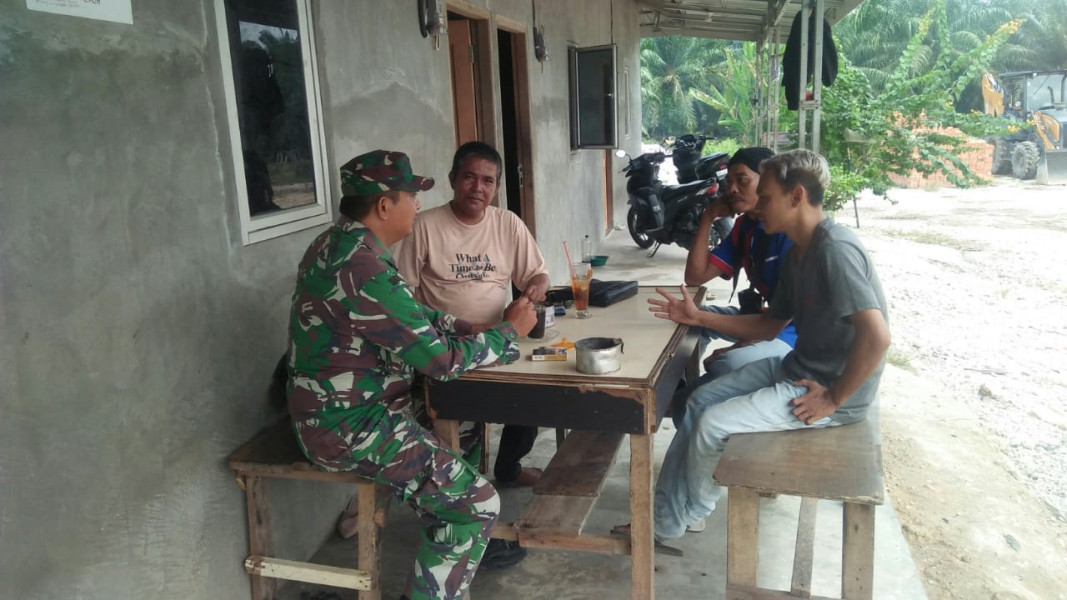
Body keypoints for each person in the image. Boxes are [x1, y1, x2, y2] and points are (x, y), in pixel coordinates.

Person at [286, 149, 536, 600]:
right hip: (349, 424)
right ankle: (459, 526)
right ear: (384, 205)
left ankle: (457, 535)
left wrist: (472, 327)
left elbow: (413, 315)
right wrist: (507, 335)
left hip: (360, 405)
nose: (417, 206)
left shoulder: (342, 244)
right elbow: (441, 362)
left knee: (469, 421)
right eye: (411, 197)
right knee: (478, 505)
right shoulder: (361, 267)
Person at [616, 149, 890, 545]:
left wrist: (834, 398)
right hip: (799, 367)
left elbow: (877, 336)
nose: (757, 206)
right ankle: (670, 516)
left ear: (796, 196)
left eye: (767, 197)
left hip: (827, 390)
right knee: (698, 402)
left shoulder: (835, 250)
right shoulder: (799, 251)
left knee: (714, 424)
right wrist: (699, 318)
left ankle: (685, 514)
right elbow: (769, 323)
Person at [397, 141, 550, 489]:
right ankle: (462, 489)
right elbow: (401, 296)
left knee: (533, 396)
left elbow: (537, 274)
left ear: (496, 187)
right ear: (453, 179)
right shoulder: (424, 226)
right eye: (469, 178)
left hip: (501, 339)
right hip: (446, 349)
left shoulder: (507, 223)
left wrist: (535, 288)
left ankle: (508, 468)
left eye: (487, 181)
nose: (478, 188)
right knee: (461, 422)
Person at [672, 147, 796, 427]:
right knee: (686, 319)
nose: (733, 189)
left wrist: (740, 347)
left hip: (792, 334)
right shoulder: (747, 227)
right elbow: (695, 277)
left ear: (768, 182)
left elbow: (783, 320)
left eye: (743, 180)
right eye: (729, 182)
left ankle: (692, 405)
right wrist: (708, 217)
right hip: (764, 319)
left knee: (725, 365)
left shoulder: (790, 233)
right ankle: (676, 388)